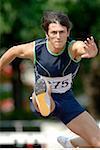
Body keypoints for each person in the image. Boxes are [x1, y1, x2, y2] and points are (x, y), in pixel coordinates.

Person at [0, 10, 100, 148]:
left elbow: (82, 47)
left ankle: (70, 143)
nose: (58, 37)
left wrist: (91, 52)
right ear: (47, 34)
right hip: (43, 100)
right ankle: (43, 97)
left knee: (98, 142)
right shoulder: (36, 49)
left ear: (68, 32)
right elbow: (14, 51)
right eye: (54, 33)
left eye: (62, 32)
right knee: (44, 86)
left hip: (67, 101)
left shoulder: (72, 48)